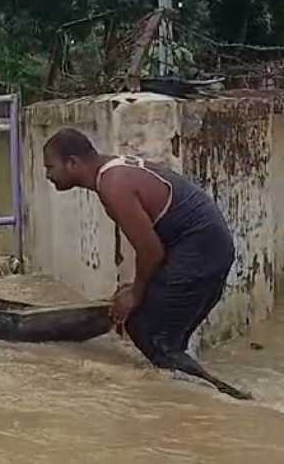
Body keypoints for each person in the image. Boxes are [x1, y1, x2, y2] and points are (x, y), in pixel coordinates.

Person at [42, 128, 251, 399]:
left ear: (73, 163)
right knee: (163, 338)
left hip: (201, 251)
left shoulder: (112, 185)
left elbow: (151, 251)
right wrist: (137, 288)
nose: (48, 175)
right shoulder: (112, 172)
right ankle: (184, 403)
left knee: (148, 330)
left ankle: (224, 398)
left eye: (50, 167)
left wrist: (135, 293)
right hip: (203, 249)